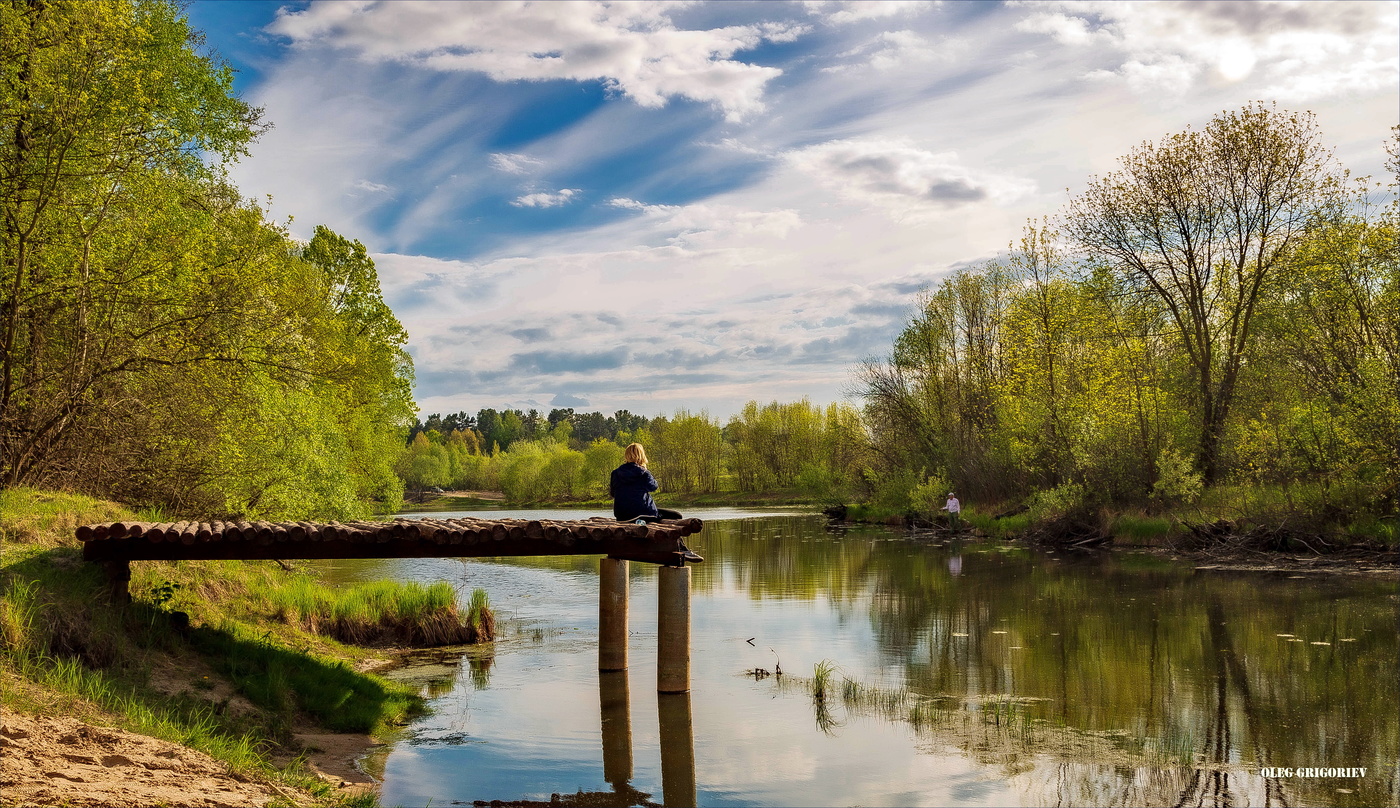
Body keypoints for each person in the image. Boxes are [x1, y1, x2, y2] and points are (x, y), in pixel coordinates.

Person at [610, 443, 682, 522]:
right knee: (677, 515)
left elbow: (613, 493)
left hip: (622, 517)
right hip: (643, 514)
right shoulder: (643, 473)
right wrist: (645, 469)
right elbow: (654, 487)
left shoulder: (615, 473)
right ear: (642, 455)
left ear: (626, 456)